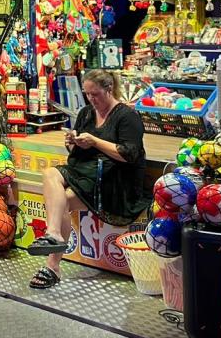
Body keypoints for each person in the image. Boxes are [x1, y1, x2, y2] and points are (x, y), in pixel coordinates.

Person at [26, 69, 149, 289]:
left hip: (114, 182)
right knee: (50, 175)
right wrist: (72, 142)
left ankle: (52, 266)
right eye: (87, 94)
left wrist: (94, 141)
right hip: (86, 173)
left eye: (95, 94)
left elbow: (129, 154)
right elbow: (76, 152)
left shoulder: (127, 116)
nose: (91, 99)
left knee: (61, 201)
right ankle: (53, 235)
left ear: (109, 89)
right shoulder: (85, 113)